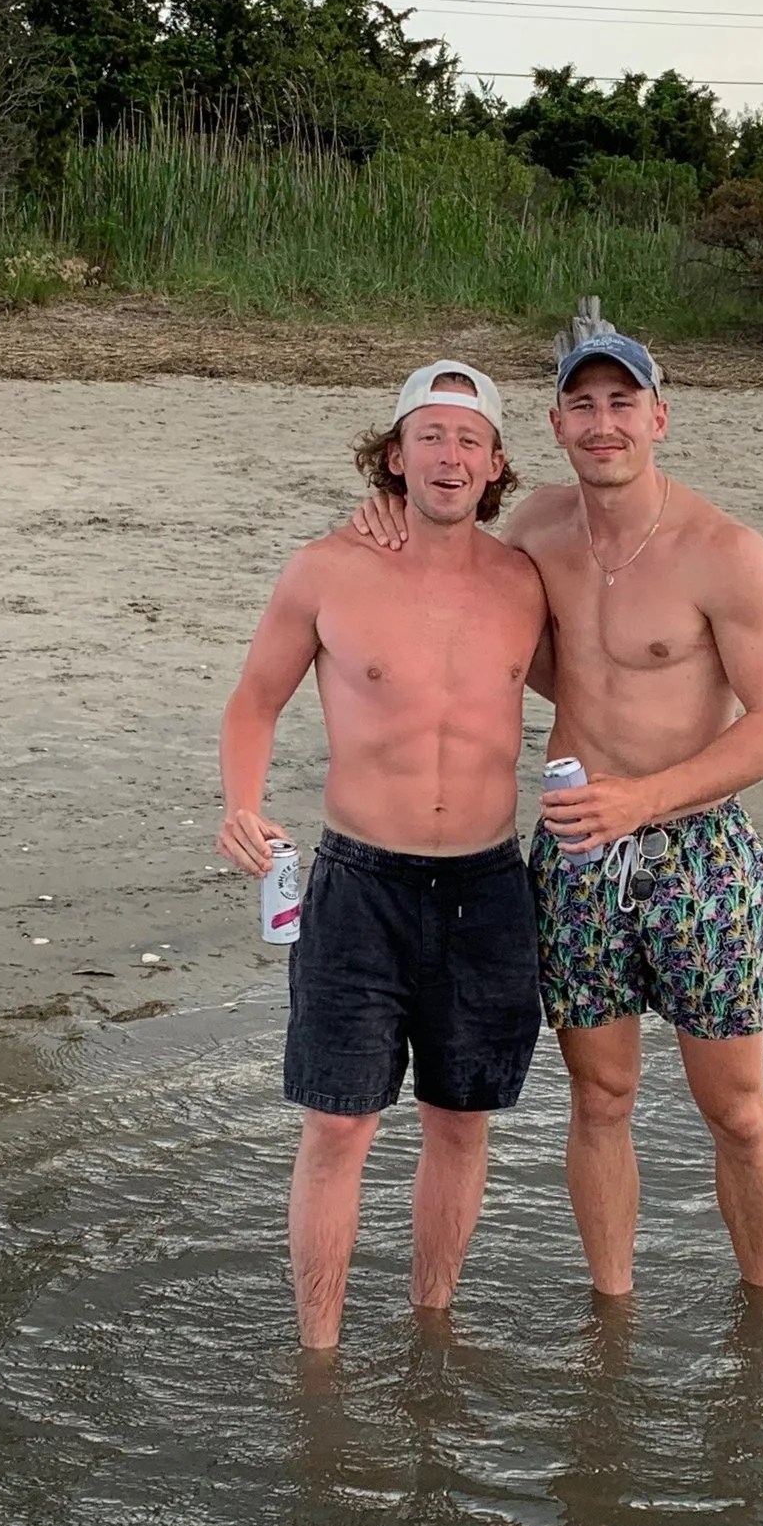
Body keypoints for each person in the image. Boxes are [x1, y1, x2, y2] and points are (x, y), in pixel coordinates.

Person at [354, 310, 763, 1298]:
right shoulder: (535, 533)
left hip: (696, 851)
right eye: (582, 404)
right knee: (600, 1096)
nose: (603, 422)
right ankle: (614, 1314)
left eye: (623, 403)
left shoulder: (724, 551)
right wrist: (380, 513)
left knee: (732, 1106)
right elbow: (453, 578)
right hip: (574, 853)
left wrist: (644, 795)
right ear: (555, 427)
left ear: (659, 418)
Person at [218, 361, 549, 1351]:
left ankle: (430, 1335)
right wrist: (240, 804)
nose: (449, 456)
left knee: (460, 1121)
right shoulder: (327, 567)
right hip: (360, 882)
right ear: (394, 455)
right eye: (429, 435)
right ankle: (317, 1355)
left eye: (469, 440)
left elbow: (604, 685)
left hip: (489, 888)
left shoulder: (524, 580)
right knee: (336, 1125)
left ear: (494, 466)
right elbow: (253, 701)